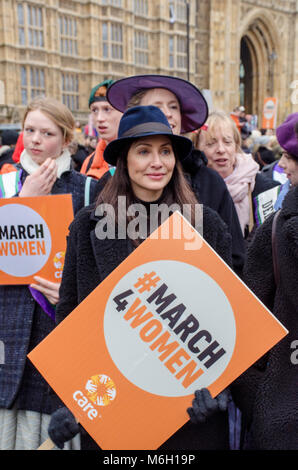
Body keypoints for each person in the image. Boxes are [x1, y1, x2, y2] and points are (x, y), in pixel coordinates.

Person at [48, 105, 233, 450]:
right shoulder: (90, 225)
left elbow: (229, 317)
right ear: (124, 161)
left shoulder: (206, 226)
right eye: (144, 151)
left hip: (185, 412)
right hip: (115, 405)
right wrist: (68, 398)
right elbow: (70, 314)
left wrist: (218, 387)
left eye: (165, 151)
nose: (157, 162)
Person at [0, 97, 103, 450]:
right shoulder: (6, 184)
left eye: (47, 132)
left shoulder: (88, 189)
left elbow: (98, 263)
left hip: (55, 326)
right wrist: (24, 203)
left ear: (65, 139)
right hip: (7, 325)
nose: (35, 140)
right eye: (30, 130)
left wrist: (72, 290)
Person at [106, 74, 246, 277]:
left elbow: (233, 258)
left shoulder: (210, 182)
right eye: (157, 107)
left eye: (173, 107)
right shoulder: (107, 191)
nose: (167, 114)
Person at [231, 113, 298, 450]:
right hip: (284, 423)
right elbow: (246, 330)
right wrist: (264, 404)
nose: (283, 164)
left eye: (290, 157)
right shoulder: (274, 232)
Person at [197, 110, 280, 239]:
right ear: (198, 149)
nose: (221, 149)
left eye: (227, 142)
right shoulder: (189, 191)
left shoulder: (267, 190)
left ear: (236, 146)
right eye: (211, 143)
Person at [80, 79, 122, 180]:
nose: (99, 118)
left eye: (107, 109)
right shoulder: (88, 163)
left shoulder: (143, 156)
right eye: (94, 110)